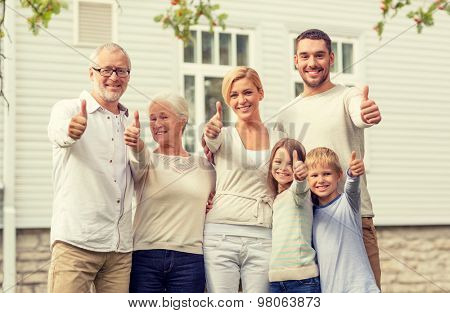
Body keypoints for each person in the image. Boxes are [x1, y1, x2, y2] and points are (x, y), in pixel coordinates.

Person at [275, 29, 382, 288]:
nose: (312, 63)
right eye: (305, 56)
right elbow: (281, 173)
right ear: (295, 61)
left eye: (319, 55)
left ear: (331, 58)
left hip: (353, 218)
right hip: (307, 225)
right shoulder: (285, 114)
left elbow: (360, 113)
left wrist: (366, 113)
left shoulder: (349, 96)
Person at [47, 43, 133, 292]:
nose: (114, 77)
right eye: (106, 69)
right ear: (91, 73)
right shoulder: (68, 109)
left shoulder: (129, 122)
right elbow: (59, 134)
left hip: (119, 250)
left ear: (128, 76)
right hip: (76, 243)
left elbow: (143, 174)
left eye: (121, 71)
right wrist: (71, 132)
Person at [203, 66, 285, 293]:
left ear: (261, 92)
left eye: (247, 92)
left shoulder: (280, 138)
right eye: (234, 95)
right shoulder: (221, 135)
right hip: (221, 235)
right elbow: (210, 142)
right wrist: (210, 132)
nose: (241, 100)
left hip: (264, 235)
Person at [125, 92, 215, 293]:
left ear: (182, 121)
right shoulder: (146, 161)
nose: (156, 123)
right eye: (153, 118)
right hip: (145, 258)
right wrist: (136, 143)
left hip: (190, 260)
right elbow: (138, 155)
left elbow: (219, 199)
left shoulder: (205, 167)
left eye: (163, 116)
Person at [306, 147, 379, 293]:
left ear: (339, 175)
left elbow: (352, 187)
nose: (320, 180)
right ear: (307, 180)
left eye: (327, 174)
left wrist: (353, 174)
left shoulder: (348, 203)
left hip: (360, 289)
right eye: (314, 175)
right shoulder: (310, 214)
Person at [267, 138, 321, 293]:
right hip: (276, 281)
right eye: (278, 161)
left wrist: (300, 177)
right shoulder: (277, 198)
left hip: (302, 281)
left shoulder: (299, 194)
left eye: (290, 164)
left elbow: (300, 187)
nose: (283, 168)